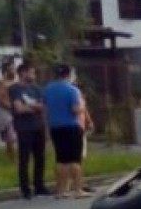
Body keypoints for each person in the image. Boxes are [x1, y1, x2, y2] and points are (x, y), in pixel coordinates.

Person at [43, 64, 91, 199]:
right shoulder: (73, 90)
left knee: (61, 159)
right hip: (71, 126)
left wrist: (47, 127)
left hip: (55, 127)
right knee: (75, 159)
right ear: (68, 74)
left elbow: (44, 110)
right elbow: (75, 109)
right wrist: (82, 106)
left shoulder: (48, 89)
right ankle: (78, 189)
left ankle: (60, 191)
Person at [8, 63, 49, 200]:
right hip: (24, 127)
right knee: (24, 158)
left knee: (40, 157)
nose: (33, 75)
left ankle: (39, 185)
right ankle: (25, 188)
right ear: (23, 73)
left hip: (38, 126)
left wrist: (30, 106)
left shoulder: (37, 89)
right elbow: (19, 109)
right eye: (31, 72)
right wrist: (33, 107)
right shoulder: (15, 89)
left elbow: (43, 106)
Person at [0, 59, 18, 161]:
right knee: (10, 138)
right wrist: (11, 107)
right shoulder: (2, 83)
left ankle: (13, 158)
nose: (13, 71)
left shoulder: (16, 83)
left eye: (14, 69)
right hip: (5, 113)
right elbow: (0, 99)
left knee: (14, 137)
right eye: (11, 69)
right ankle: (12, 159)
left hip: (15, 112)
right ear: (6, 71)